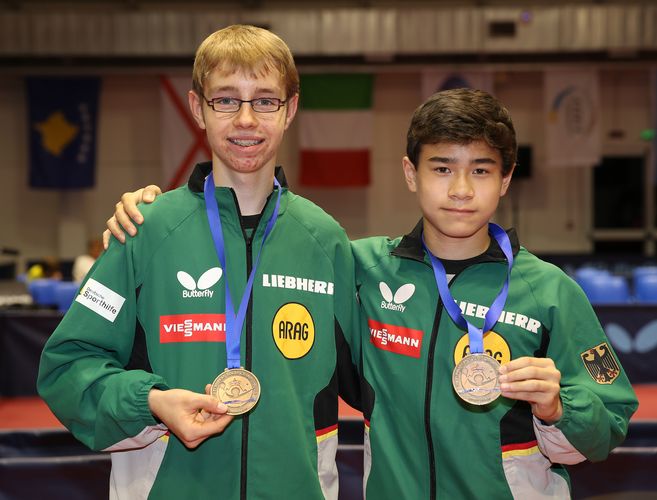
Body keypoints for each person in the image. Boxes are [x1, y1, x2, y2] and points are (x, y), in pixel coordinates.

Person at [105, 89, 638, 499]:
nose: (460, 190)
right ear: (410, 173)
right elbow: (258, 246)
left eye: (480, 170)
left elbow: (607, 427)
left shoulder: (550, 292)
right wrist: (155, 212)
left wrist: (558, 406)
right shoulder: (356, 266)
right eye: (442, 168)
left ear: (506, 179)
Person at [38, 25, 360, 500]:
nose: (246, 119)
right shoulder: (143, 231)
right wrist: (149, 402)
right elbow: (66, 367)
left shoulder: (327, 241)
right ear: (197, 109)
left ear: (290, 110)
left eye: (265, 100)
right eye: (226, 100)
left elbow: (392, 373)